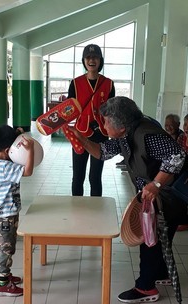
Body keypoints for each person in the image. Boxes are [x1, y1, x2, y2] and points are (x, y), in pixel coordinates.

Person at [69, 96, 188, 303]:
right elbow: (103, 152)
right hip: (159, 195)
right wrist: (82, 139)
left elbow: (177, 156)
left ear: (121, 126)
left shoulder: (146, 134)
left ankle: (146, 288)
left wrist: (156, 183)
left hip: (169, 195)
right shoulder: (126, 134)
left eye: (106, 121)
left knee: (148, 238)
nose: (103, 125)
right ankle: (160, 274)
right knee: (158, 238)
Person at [0, 125, 35, 297]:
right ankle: (3, 284)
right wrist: (30, 150)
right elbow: (28, 171)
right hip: (5, 218)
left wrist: (19, 135)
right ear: (8, 150)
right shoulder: (5, 167)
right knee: (7, 249)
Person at [68, 44, 115, 197]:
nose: (92, 60)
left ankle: (96, 210)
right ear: (84, 61)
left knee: (95, 177)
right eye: (88, 57)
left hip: (100, 135)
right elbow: (68, 110)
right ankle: (77, 208)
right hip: (80, 133)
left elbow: (112, 111)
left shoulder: (108, 84)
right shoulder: (75, 83)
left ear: (100, 60)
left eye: (95, 57)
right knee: (78, 177)